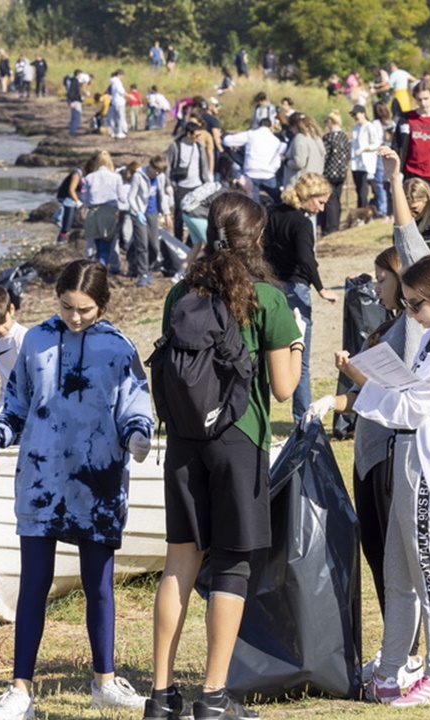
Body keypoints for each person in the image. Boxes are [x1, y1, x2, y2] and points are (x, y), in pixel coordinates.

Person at [146, 193, 303, 720]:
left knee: (179, 564)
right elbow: (284, 389)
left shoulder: (178, 296)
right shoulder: (269, 299)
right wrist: (297, 346)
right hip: (241, 440)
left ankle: (160, 695)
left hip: (187, 441)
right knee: (232, 567)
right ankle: (213, 697)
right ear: (256, 238)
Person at [0, 260, 152, 719]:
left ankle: (105, 682)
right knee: (34, 583)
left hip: (99, 482)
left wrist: (137, 434)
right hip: (41, 479)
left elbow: (136, 401)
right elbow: (14, 402)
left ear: (103, 303)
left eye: (85, 309)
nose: (75, 317)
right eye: (67, 307)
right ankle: (20, 692)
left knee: (99, 586)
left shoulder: (118, 347)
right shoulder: (35, 340)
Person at [334, 252, 430, 706]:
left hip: (428, 468)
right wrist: (362, 377)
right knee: (397, 574)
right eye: (404, 304)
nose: (409, 314)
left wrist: (361, 391)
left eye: (415, 305)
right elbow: (405, 392)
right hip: (409, 459)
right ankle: (389, 672)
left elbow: (409, 408)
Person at [302, 147, 430, 646]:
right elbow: (373, 393)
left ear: (405, 280)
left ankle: (411, 652)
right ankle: (397, 648)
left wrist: (393, 179)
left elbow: (411, 244)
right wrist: (344, 385)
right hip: (369, 452)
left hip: (393, 454)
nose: (376, 286)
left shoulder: (415, 325)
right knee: (377, 555)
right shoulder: (390, 324)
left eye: (382, 278)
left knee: (397, 563)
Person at [264, 173, 338, 422]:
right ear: (307, 197)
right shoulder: (302, 223)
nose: (322, 208)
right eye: (320, 202)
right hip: (295, 289)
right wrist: (320, 287)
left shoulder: (272, 213)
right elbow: (306, 258)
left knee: (267, 356)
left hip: (270, 287)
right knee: (300, 357)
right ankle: (303, 418)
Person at [127, 155, 173, 285]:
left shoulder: (160, 177)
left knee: (154, 245)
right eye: (155, 170)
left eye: (160, 171)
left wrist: (167, 213)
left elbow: (162, 197)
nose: (157, 173)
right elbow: (131, 196)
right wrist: (137, 212)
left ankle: (149, 268)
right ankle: (142, 274)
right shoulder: (138, 175)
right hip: (139, 213)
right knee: (142, 245)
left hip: (153, 213)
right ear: (150, 166)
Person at [166, 122, 212, 243]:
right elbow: (168, 167)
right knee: (179, 217)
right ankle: (178, 241)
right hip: (181, 186)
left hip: (197, 186)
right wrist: (169, 185)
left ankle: (192, 243)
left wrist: (207, 183)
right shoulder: (175, 146)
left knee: (195, 216)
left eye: (199, 135)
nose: (198, 138)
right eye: (196, 135)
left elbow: (204, 165)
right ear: (188, 133)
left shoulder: (199, 146)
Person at [223, 118, 285, 206]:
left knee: (253, 204)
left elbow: (227, 141)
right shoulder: (276, 140)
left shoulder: (251, 135)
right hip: (268, 174)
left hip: (251, 173)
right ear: (271, 127)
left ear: (258, 125)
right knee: (279, 200)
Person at [82, 151, 123, 270]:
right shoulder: (116, 177)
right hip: (109, 212)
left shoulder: (89, 177)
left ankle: (98, 269)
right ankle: (101, 271)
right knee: (106, 246)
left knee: (97, 244)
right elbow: (122, 197)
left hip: (93, 212)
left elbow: (85, 197)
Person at [321, 110, 351, 235]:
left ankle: (331, 227)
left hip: (329, 173)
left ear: (330, 122)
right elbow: (348, 154)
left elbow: (324, 155)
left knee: (330, 201)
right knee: (337, 199)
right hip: (341, 172)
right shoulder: (344, 137)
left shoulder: (328, 138)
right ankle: (336, 224)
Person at [350, 105, 382, 210]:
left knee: (364, 191)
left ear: (363, 113)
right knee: (358, 190)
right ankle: (361, 211)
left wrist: (365, 149)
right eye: (353, 115)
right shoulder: (355, 128)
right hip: (356, 163)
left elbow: (376, 143)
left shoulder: (369, 126)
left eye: (356, 114)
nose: (355, 117)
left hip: (366, 164)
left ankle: (364, 211)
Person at [282, 113, 325, 188]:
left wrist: (286, 161)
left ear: (295, 125)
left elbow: (299, 163)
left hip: (300, 182)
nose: (290, 129)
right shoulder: (316, 137)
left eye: (291, 126)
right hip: (315, 180)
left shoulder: (299, 139)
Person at [54, 164, 84, 243]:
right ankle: (60, 242)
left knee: (78, 225)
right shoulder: (77, 173)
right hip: (70, 201)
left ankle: (67, 241)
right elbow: (71, 190)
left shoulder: (89, 175)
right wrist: (77, 201)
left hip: (79, 200)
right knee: (66, 226)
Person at [107, 70, 128, 139]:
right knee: (120, 118)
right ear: (119, 74)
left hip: (114, 102)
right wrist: (129, 96)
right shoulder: (117, 81)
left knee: (113, 118)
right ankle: (120, 132)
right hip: (119, 102)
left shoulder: (112, 82)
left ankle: (113, 132)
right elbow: (121, 91)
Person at [65, 69, 85, 135]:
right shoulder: (75, 82)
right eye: (81, 74)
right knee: (76, 117)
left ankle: (72, 131)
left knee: (74, 117)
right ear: (78, 74)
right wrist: (72, 101)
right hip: (75, 101)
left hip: (75, 100)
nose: (81, 76)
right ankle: (73, 132)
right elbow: (72, 92)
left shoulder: (74, 81)